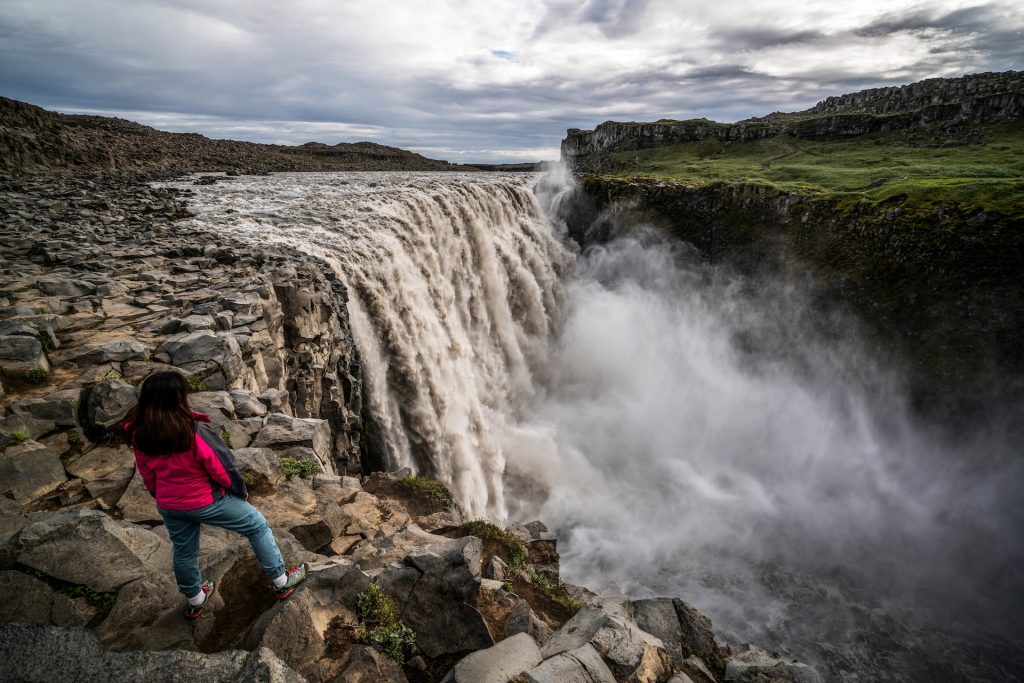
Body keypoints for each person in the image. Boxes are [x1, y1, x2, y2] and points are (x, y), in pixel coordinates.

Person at [124, 371, 308, 619]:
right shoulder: (192, 430)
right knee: (257, 526)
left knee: (184, 551)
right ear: (178, 398)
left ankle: (195, 598)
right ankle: (281, 580)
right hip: (205, 500)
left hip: (169, 503)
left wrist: (163, 497)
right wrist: (239, 492)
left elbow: (147, 474)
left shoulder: (139, 433)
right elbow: (222, 467)